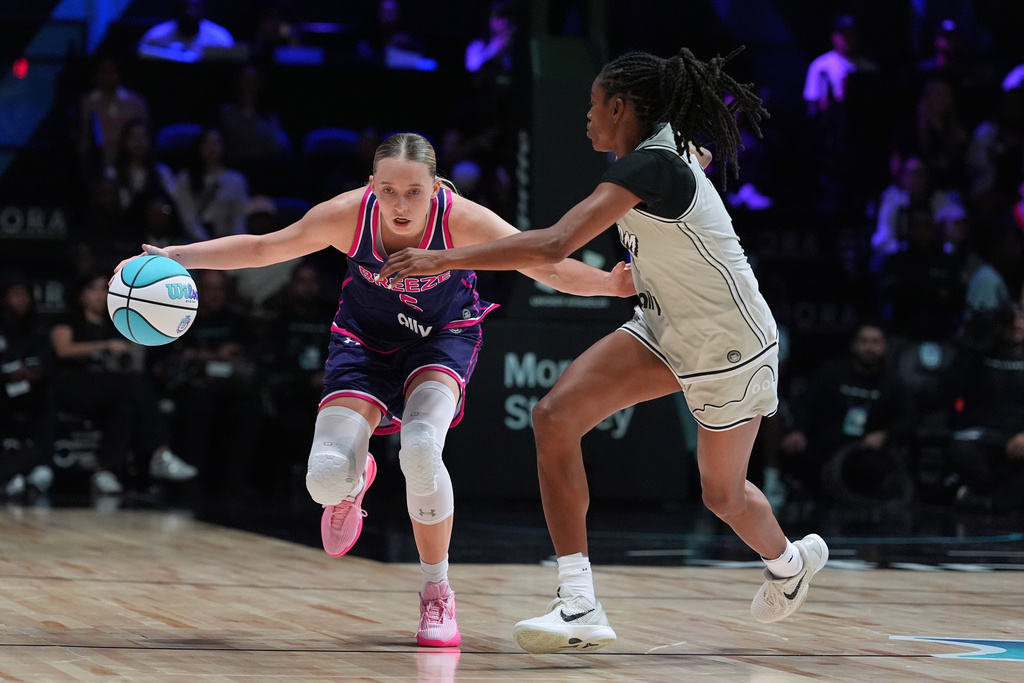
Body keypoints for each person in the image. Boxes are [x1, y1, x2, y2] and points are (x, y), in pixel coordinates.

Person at [380, 47, 829, 654]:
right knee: (554, 417)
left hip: (731, 345)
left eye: (593, 105)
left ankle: (788, 562)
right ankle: (579, 601)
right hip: (665, 326)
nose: (586, 117)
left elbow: (554, 245)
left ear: (620, 107)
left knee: (724, 495)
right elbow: (684, 164)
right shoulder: (657, 157)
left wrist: (442, 256)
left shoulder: (650, 168)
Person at [114, 132, 635, 648]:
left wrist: (609, 285)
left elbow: (542, 262)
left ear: (435, 187)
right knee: (323, 480)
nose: (400, 203)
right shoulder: (346, 214)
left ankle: (437, 593)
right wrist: (177, 254)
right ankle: (353, 480)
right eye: (388, 190)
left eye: (413, 191)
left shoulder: (462, 219)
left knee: (423, 448)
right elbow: (263, 248)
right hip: (364, 342)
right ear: (371, 186)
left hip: (441, 339)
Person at [49, 271, 198, 496]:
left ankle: (105, 471)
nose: (100, 295)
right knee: (133, 385)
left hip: (108, 388)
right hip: (73, 386)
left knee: (126, 406)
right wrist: (105, 346)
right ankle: (160, 452)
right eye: (93, 289)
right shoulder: (69, 320)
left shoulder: (116, 324)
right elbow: (63, 350)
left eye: (104, 289)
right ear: (81, 295)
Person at [779, 322, 918, 507]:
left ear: (884, 347)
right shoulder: (830, 372)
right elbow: (807, 405)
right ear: (854, 345)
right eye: (864, 341)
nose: (869, 348)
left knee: (873, 467)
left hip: (863, 450)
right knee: (793, 451)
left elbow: (909, 420)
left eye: (876, 342)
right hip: (823, 446)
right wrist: (798, 431)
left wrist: (885, 435)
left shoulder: (893, 382)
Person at [173, 127, 251, 241]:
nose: (212, 148)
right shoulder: (184, 179)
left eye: (216, 142)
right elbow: (188, 218)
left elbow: (239, 219)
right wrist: (207, 243)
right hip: (195, 243)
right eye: (207, 143)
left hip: (227, 242)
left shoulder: (236, 180)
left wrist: (236, 244)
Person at [138, 0, 235, 63]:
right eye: (185, 7)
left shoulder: (220, 39)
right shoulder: (155, 37)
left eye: (195, 8)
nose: (189, 12)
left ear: (203, 10)